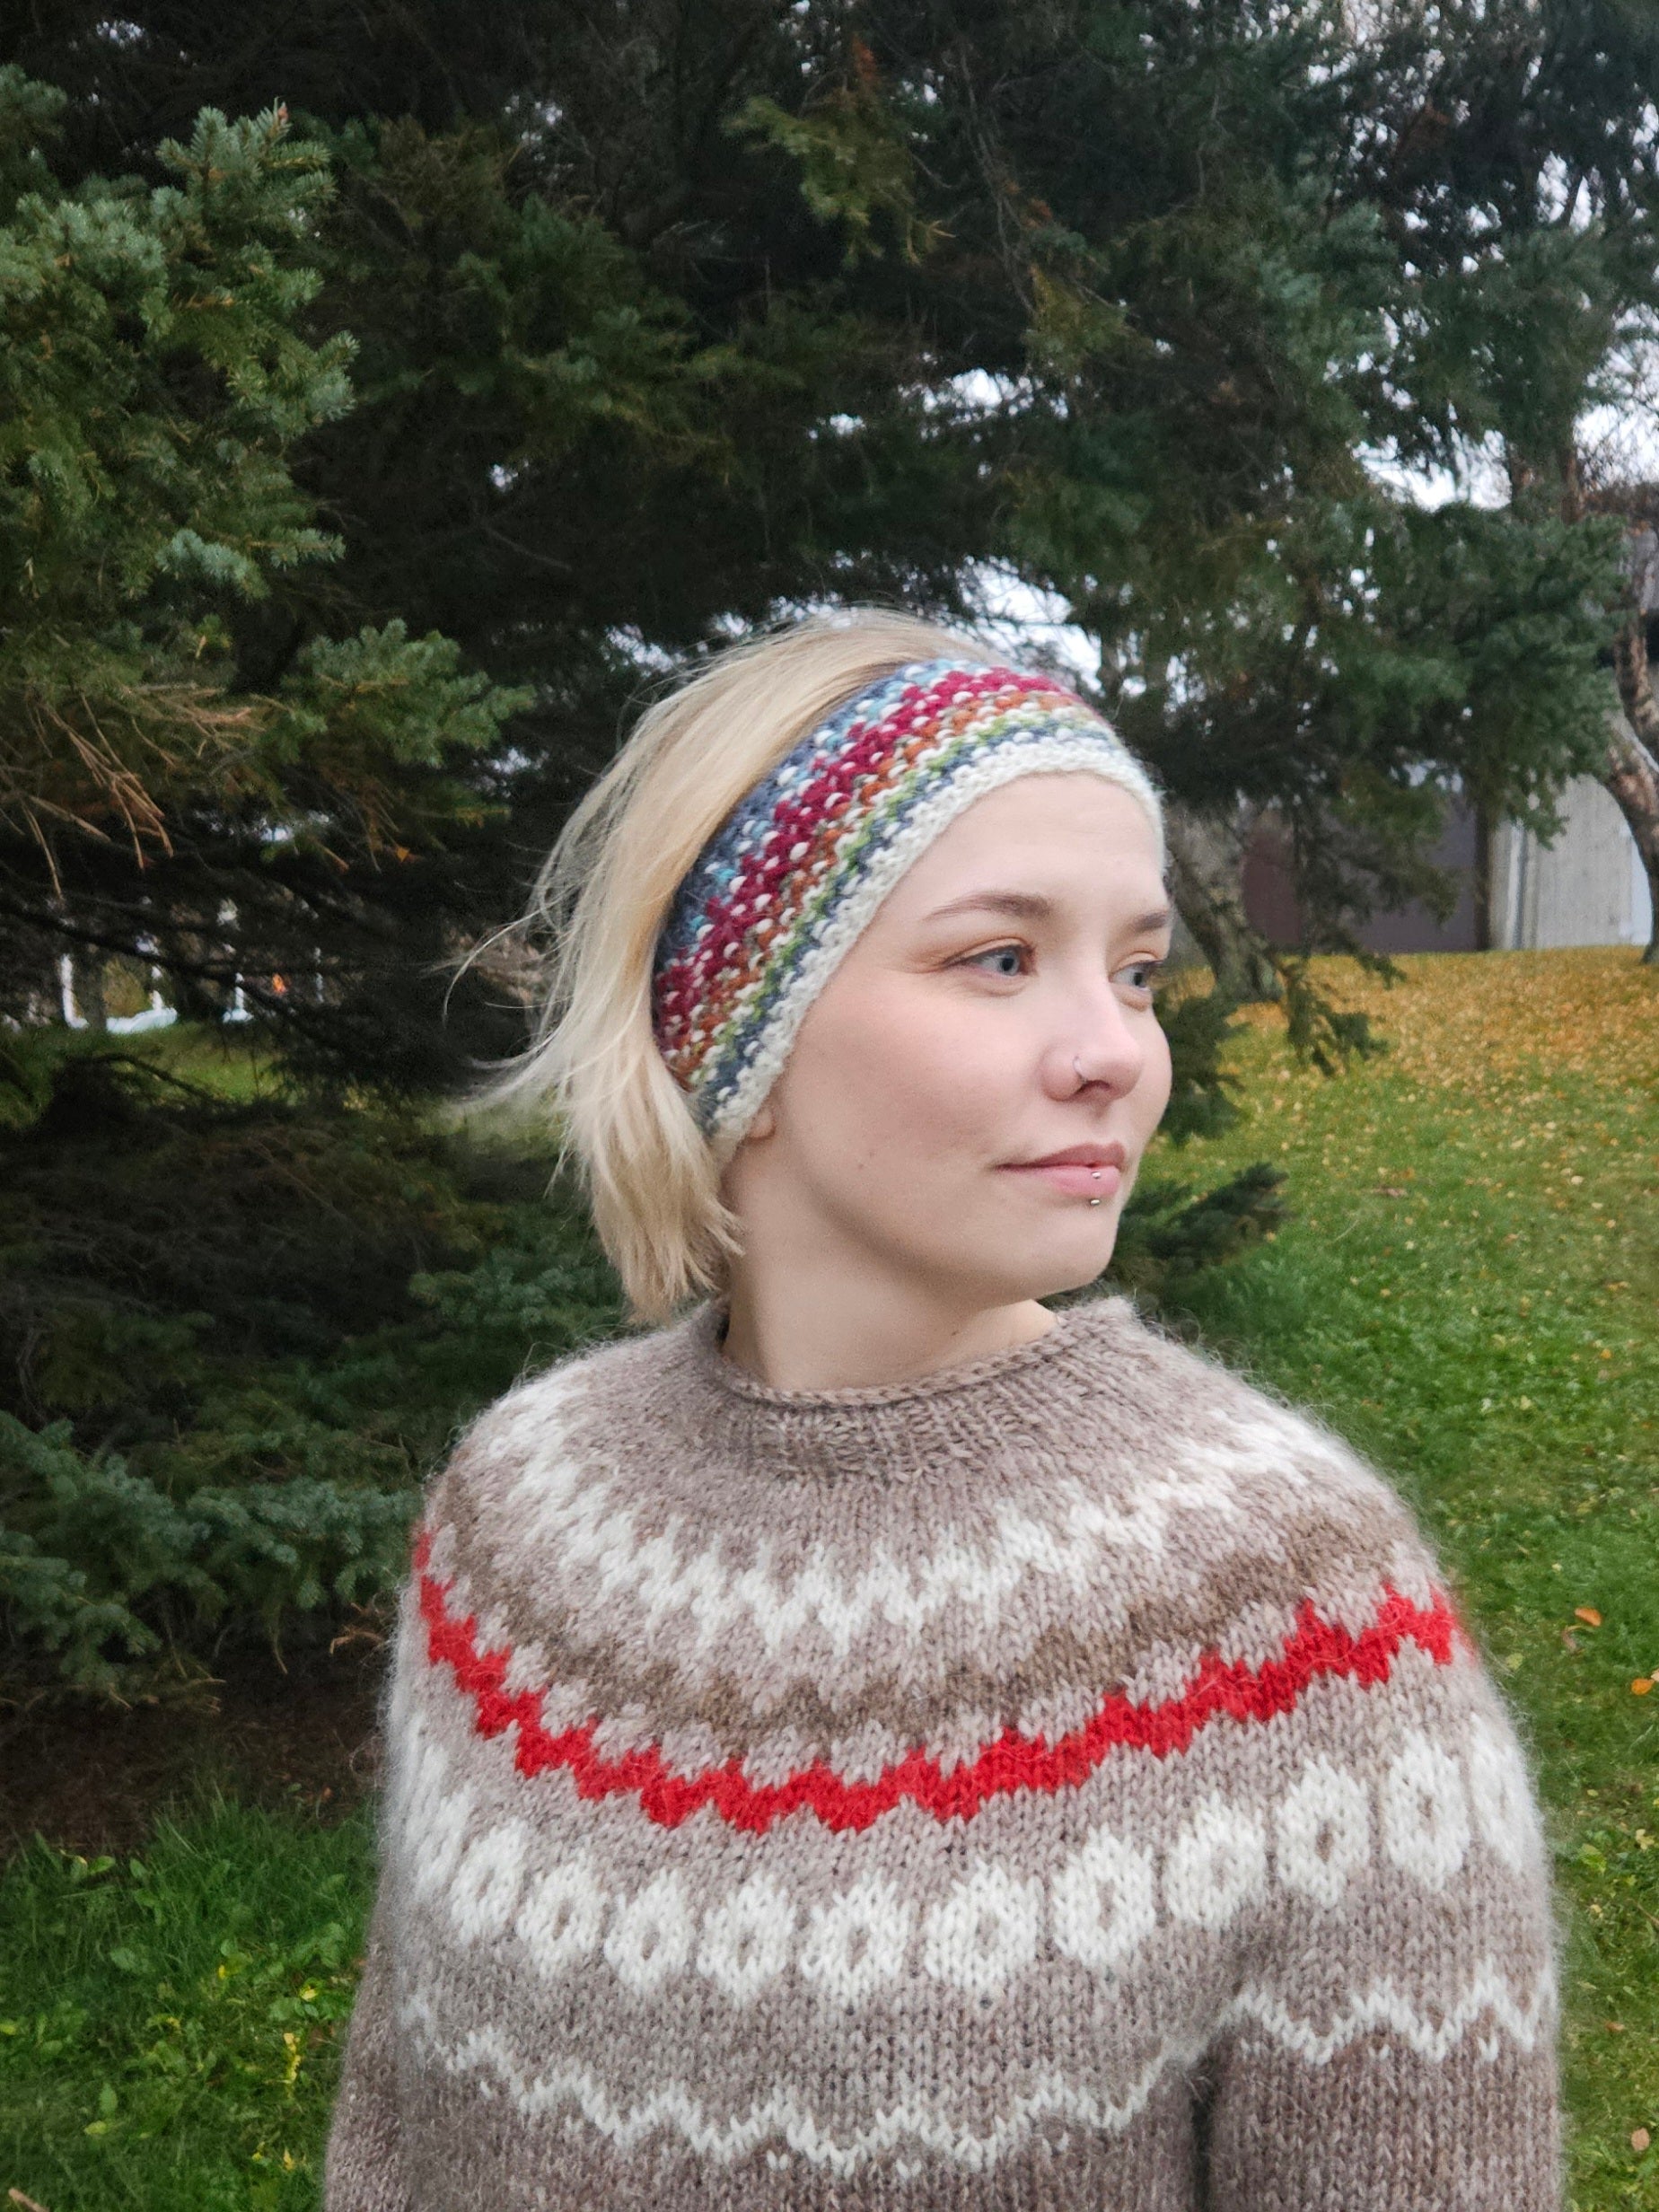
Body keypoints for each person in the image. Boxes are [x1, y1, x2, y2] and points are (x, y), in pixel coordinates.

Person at [323, 609, 1565, 2210]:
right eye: (999, 959)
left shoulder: (1291, 1616)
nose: (1115, 1050)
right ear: (736, 1036)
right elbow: (398, 2132)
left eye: (1135, 971)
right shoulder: (514, 1518)